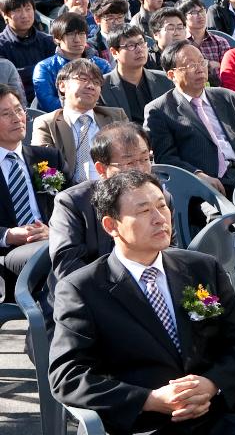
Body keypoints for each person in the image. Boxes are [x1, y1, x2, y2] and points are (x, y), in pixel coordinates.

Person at [48, 170, 235, 435]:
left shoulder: (200, 268)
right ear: (112, 225)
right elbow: (67, 375)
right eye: (144, 211)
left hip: (211, 419)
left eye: (162, 205)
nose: (161, 218)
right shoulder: (83, 288)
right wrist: (149, 400)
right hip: (139, 430)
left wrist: (211, 384)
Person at [44, 121, 153, 327]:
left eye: (145, 159)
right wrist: (123, 294)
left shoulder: (160, 200)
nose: (141, 171)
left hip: (146, 296)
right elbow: (68, 266)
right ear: (101, 169)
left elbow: (168, 251)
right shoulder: (72, 202)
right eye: (129, 164)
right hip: (86, 301)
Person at [143, 41, 235, 196]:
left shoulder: (226, 97)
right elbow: (166, 158)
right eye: (191, 65)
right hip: (203, 186)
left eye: (201, 61)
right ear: (171, 75)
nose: (200, 69)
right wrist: (198, 175)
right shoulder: (159, 110)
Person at [0, 82, 60, 300]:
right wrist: (8, 235)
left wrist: (53, 231)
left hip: (51, 239)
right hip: (9, 253)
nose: (17, 118)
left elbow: (70, 204)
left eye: (18, 110)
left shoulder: (47, 158)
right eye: (6, 114)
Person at [30, 58, 127, 183]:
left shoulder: (116, 116)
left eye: (96, 82)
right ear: (62, 85)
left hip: (114, 190)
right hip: (70, 195)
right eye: (83, 79)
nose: (91, 86)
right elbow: (43, 167)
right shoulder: (47, 123)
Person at [31, 11, 113, 110]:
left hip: (98, 119)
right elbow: (48, 103)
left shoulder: (102, 65)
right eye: (70, 34)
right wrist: (80, 110)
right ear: (56, 39)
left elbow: (110, 98)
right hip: (60, 121)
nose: (77, 39)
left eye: (81, 34)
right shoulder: (45, 68)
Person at [0, 0, 55, 99]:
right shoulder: (1, 45)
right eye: (17, 10)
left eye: (28, 8)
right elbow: (6, 79)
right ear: (5, 14)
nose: (24, 15)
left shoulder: (48, 41)